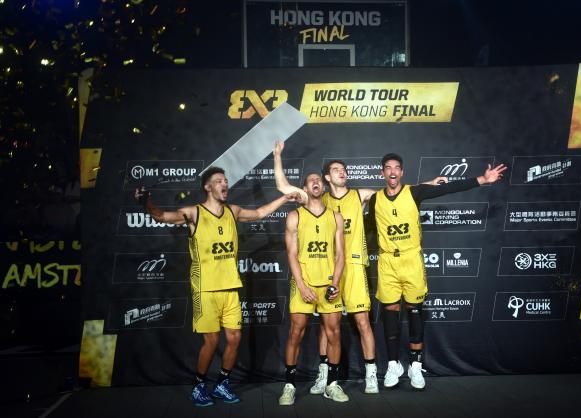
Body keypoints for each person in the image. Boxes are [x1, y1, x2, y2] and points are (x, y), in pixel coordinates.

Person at [273, 140, 446, 394]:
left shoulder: (361, 194)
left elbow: (396, 191)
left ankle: (371, 375)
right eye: (336, 169)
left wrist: (429, 185)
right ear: (326, 178)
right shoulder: (317, 197)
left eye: (344, 169)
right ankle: (324, 376)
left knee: (363, 321)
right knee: (326, 325)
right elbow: (282, 186)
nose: (342, 172)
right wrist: (278, 156)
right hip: (327, 270)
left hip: (353, 266)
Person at [135, 167, 300, 407]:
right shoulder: (194, 213)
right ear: (207, 187)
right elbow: (161, 216)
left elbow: (260, 213)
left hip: (230, 288)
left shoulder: (232, 211)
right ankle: (199, 386)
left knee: (234, 339)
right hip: (205, 289)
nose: (225, 184)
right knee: (211, 342)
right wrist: (146, 202)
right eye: (218, 181)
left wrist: (284, 198)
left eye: (226, 180)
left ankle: (222, 384)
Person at [368, 153, 507, 390]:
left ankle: (415, 365)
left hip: (411, 260)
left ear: (401, 172)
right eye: (388, 168)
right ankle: (393, 364)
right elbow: (367, 228)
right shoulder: (374, 200)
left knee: (413, 310)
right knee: (390, 311)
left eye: (397, 168)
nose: (392, 172)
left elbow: (448, 189)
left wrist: (482, 180)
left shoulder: (415, 192)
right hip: (387, 261)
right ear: (382, 173)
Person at [278, 172, 348, 406]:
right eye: (310, 181)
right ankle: (289, 386)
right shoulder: (294, 216)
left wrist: (335, 283)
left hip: (328, 284)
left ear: (323, 185)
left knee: (334, 333)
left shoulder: (335, 217)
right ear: (305, 188)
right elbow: (291, 254)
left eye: (318, 179)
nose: (315, 182)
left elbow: (341, 255)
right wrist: (301, 284)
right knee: (295, 333)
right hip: (304, 284)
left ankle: (332, 384)